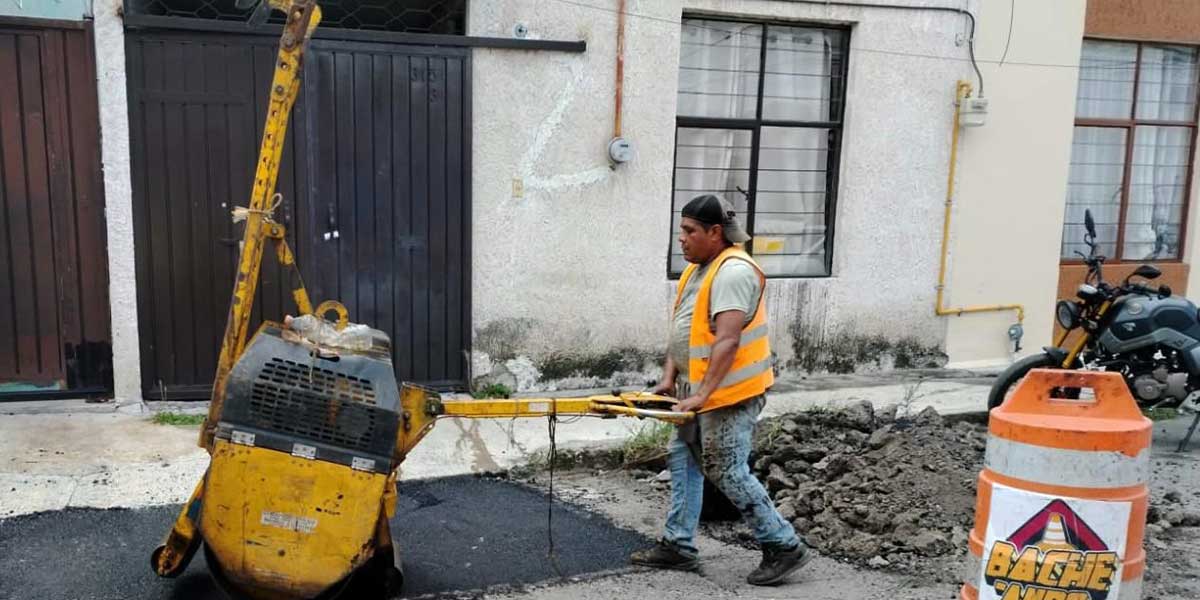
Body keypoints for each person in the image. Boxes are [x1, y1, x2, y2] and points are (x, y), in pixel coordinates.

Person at [630, 194, 810, 586]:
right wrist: (669, 377)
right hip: (700, 388)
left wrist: (703, 395)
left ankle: (783, 544)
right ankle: (678, 546)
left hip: (730, 392)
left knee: (726, 468)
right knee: (684, 460)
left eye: (689, 231)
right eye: (681, 229)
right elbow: (685, 330)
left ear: (715, 232)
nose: (682, 238)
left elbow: (726, 341)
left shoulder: (733, 272)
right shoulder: (699, 269)